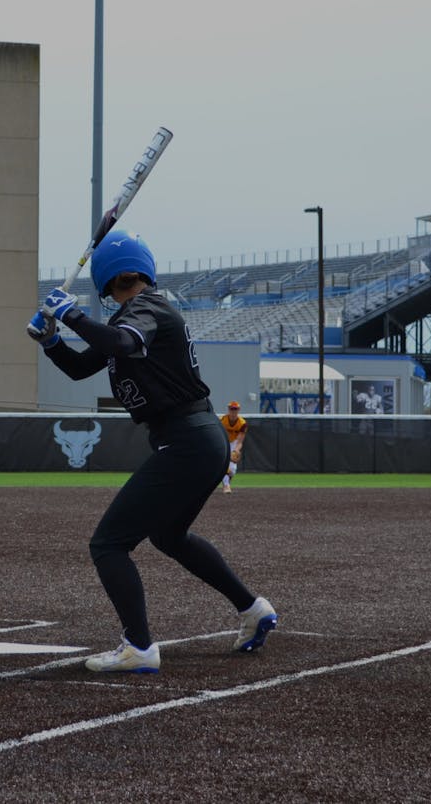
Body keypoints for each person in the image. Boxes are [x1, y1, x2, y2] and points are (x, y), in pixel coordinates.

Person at [26, 228, 277, 673]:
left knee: (108, 543)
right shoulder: (137, 313)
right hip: (197, 439)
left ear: (106, 281)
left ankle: (138, 647)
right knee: (167, 536)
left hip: (188, 439)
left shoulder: (145, 309)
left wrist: (71, 315)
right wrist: (51, 342)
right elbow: (83, 366)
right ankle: (253, 609)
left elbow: (124, 343)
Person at [219, 400, 249, 494]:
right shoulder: (222, 420)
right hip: (223, 441)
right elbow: (218, 435)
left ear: (238, 410)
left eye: (235, 409)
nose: (233, 411)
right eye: (232, 409)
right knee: (223, 464)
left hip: (233, 443)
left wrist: (236, 450)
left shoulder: (242, 423)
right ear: (228, 409)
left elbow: (239, 441)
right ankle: (226, 486)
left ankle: (226, 482)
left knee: (232, 469)